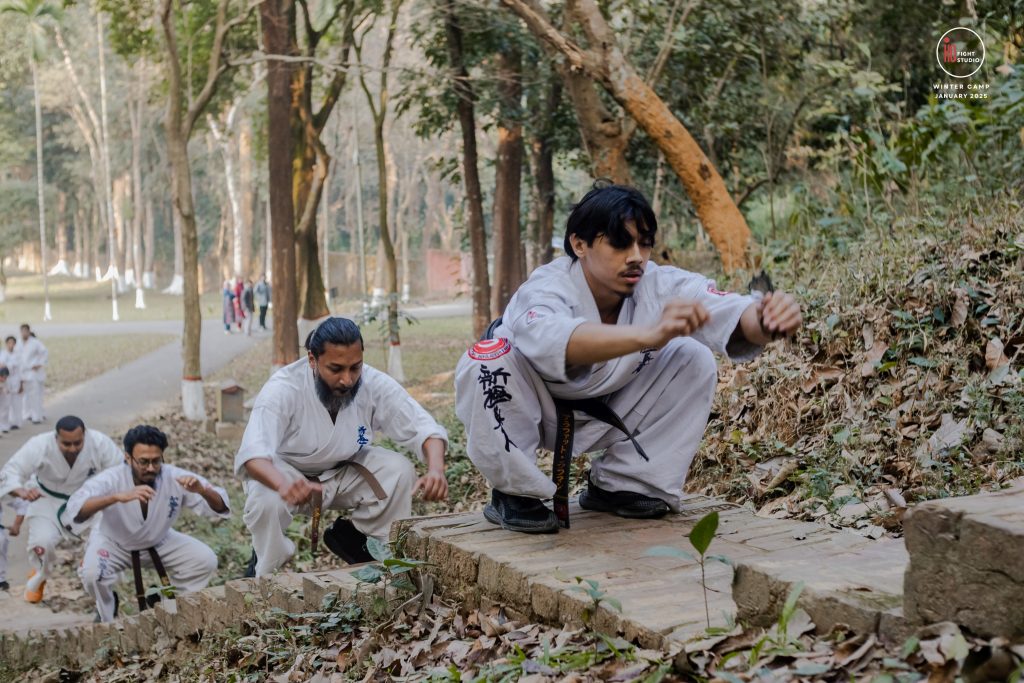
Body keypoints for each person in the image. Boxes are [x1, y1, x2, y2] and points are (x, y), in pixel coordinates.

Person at [454, 184, 803, 533]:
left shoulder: (659, 284)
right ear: (580, 244)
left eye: (644, 243)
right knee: (487, 360)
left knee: (692, 357)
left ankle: (626, 483)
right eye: (620, 243)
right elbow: (558, 341)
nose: (636, 256)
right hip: (530, 409)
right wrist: (649, 335)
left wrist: (765, 321)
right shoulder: (547, 287)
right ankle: (514, 493)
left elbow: (727, 312)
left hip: (608, 405)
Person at [236, 317, 449, 577]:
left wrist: (436, 469)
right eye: (335, 369)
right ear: (312, 360)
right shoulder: (283, 388)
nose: (347, 380)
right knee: (264, 499)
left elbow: (423, 427)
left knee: (399, 470)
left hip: (345, 471)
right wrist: (283, 485)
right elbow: (253, 454)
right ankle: (263, 570)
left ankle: (363, 544)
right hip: (289, 476)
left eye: (354, 367)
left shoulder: (372, 383)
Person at [66, 425, 230, 623]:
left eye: (156, 461)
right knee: (92, 574)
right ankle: (107, 613)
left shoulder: (174, 477)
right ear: (128, 458)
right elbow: (76, 508)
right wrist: (116, 497)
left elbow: (221, 505)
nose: (151, 468)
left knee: (204, 559)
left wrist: (202, 491)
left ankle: (170, 605)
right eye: (143, 462)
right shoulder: (111, 478)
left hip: (159, 540)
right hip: (113, 543)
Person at [0, 415, 123, 602]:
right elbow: (12, 470)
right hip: (47, 499)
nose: (72, 448)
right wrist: (20, 491)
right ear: (56, 437)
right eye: (66, 444)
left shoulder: (99, 443)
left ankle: (95, 574)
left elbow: (119, 471)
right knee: (42, 542)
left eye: (77, 443)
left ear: (85, 435)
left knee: (103, 539)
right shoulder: (40, 445)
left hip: (87, 500)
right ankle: (40, 574)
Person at [17, 325, 47, 424]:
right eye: (22, 331)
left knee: (34, 395)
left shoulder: (35, 342)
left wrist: (39, 363)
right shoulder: (18, 343)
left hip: (33, 372)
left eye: (26, 331)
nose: (24, 333)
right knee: (24, 395)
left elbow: (44, 352)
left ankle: (36, 416)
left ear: (29, 331)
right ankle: (26, 414)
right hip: (22, 372)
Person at [0, 495, 28, 591]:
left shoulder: (4, 490)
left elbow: (23, 504)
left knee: (1, 540)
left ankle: (0, 579)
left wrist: (16, 526)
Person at [0, 336, 23, 429]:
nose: (11, 345)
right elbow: (2, 368)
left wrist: (21, 384)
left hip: (15, 381)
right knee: (5, 405)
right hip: (5, 382)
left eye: (12, 343)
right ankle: (3, 425)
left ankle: (16, 422)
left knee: (16, 403)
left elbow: (20, 370)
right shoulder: (3, 354)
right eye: (9, 343)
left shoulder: (18, 355)